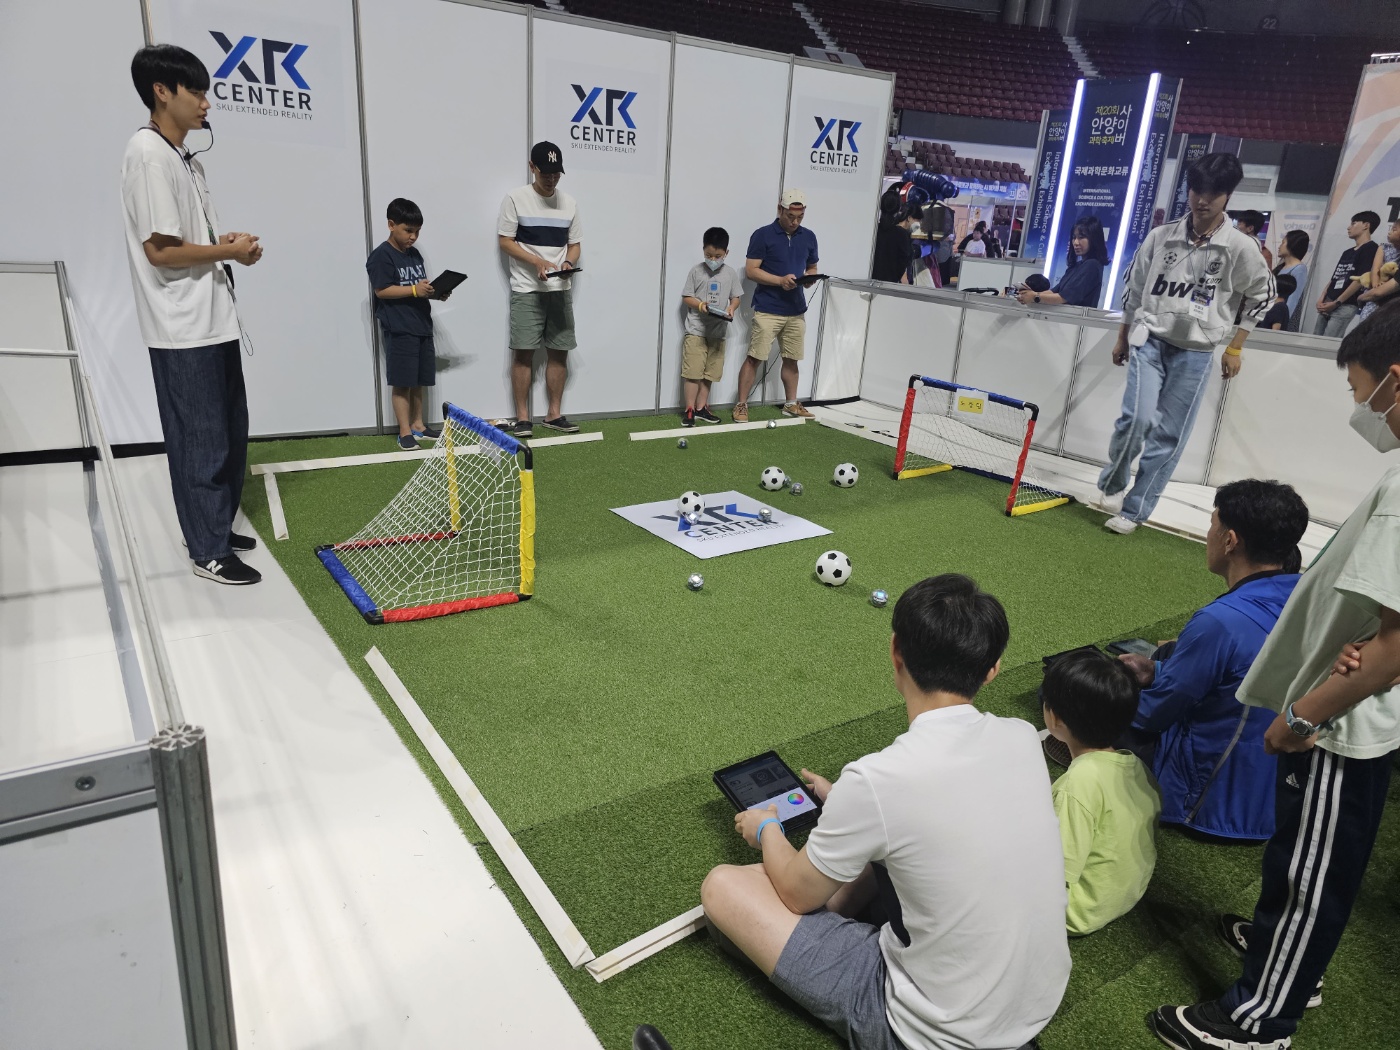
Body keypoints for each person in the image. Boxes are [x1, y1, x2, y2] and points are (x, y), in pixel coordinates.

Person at [1148, 301, 1400, 1050]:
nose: (1362, 410)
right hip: (1347, 701)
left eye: (1361, 393)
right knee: (1301, 858)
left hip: (1341, 728)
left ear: (1396, 381)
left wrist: (1305, 713)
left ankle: (1259, 1020)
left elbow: (1396, 645)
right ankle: (1281, 952)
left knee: (1312, 874)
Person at [701, 574, 1070, 1050]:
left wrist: (767, 827)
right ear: (992, 670)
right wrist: (849, 805)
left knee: (724, 886)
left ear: (896, 652)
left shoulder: (879, 778)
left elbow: (793, 894)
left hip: (933, 1032)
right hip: (1035, 1006)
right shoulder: (1020, 736)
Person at [121, 45, 264, 586]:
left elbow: (182, 240)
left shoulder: (184, 158)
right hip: (182, 327)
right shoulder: (148, 153)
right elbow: (160, 251)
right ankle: (208, 550)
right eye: (197, 92)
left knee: (228, 432)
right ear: (162, 91)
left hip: (212, 319)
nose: (207, 103)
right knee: (200, 439)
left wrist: (223, 242)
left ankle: (213, 527)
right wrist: (228, 252)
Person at [1119, 479, 1308, 842]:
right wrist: (1159, 671)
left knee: (1074, 686)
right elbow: (1248, 671)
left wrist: (1106, 694)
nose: (1209, 535)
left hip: (1207, 801)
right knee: (1167, 655)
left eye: (1212, 525)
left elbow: (1154, 714)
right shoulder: (1305, 596)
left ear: (1230, 540)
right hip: (1273, 793)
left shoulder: (1220, 622)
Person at [1097, 152, 1275, 535]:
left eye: (1214, 193)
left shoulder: (1240, 247)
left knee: (1168, 436)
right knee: (1136, 419)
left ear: (1228, 196)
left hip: (1196, 352)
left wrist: (1235, 346)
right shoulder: (1161, 236)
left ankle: (1134, 510)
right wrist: (1122, 336)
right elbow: (1134, 288)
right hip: (1149, 341)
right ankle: (1113, 480)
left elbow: (1263, 294)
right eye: (1197, 190)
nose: (1203, 200)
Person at [1041, 648, 1160, 936]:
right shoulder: (1136, 765)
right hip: (1126, 892)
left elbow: (1054, 869)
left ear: (1055, 719)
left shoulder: (1076, 785)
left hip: (1076, 911)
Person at [498, 141, 582, 438]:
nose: (551, 179)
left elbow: (574, 244)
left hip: (560, 288)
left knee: (560, 352)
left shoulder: (569, 203)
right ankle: (523, 418)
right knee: (524, 354)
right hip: (526, 289)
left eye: (556, 174)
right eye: (545, 173)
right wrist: (536, 262)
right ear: (532, 167)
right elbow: (505, 241)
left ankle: (553, 414)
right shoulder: (515, 198)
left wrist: (568, 263)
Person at [366, 198, 451, 450]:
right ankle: (404, 432)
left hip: (421, 325)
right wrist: (414, 290)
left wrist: (435, 292)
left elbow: (417, 287)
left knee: (419, 380)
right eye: (408, 230)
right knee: (403, 382)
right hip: (399, 328)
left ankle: (418, 425)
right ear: (391, 225)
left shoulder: (414, 254)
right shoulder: (381, 256)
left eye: (417, 231)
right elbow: (382, 290)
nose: (413, 237)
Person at [732, 190, 820, 424]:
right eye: (791, 216)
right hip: (768, 308)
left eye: (800, 217)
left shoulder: (809, 237)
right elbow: (751, 271)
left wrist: (809, 279)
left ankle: (791, 404)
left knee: (792, 359)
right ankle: (741, 405)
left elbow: (812, 266)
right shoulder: (762, 235)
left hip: (796, 310)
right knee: (755, 357)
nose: (795, 222)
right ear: (780, 209)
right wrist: (780, 281)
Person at [679, 227, 743, 427]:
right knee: (693, 373)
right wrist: (700, 306)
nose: (713, 259)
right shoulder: (696, 271)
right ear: (703, 250)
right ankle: (690, 410)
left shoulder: (730, 273)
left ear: (726, 253)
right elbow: (687, 297)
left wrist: (732, 308)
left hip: (719, 332)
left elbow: (736, 297)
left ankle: (702, 408)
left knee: (710, 374)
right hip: (696, 331)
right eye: (708, 255)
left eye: (718, 256)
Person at [1016, 215, 1107, 308]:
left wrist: (1035, 296)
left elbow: (1064, 298)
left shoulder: (1092, 265)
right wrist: (1029, 294)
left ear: (1094, 239)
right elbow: (1054, 291)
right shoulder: (1076, 266)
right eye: (1074, 237)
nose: (1076, 242)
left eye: (1081, 237)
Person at [1313, 210, 1379, 338]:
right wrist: (1322, 297)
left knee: (1328, 342)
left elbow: (1360, 280)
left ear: (1366, 225)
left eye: (1353, 223)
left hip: (1346, 304)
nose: (1349, 227)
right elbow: (1335, 277)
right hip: (1328, 302)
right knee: (1315, 338)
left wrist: (1337, 302)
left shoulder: (1371, 249)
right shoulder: (1347, 252)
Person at [1352, 217, 1400, 332]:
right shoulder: (1384, 247)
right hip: (1375, 295)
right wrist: (1375, 285)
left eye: (1394, 230)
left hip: (1392, 301)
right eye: (1391, 229)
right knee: (1365, 327)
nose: (1390, 232)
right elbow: (1375, 268)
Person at [871, 188, 912, 284]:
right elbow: (904, 261)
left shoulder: (872, 230)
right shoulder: (902, 234)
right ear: (899, 209)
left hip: (867, 282)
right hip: (890, 283)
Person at [1272, 229, 1309, 331]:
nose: (1279, 246)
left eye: (1283, 243)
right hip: (1273, 314)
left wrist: (1282, 321)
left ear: (1293, 244)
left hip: (1282, 321)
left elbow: (1294, 299)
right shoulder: (1281, 267)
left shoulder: (1299, 269)